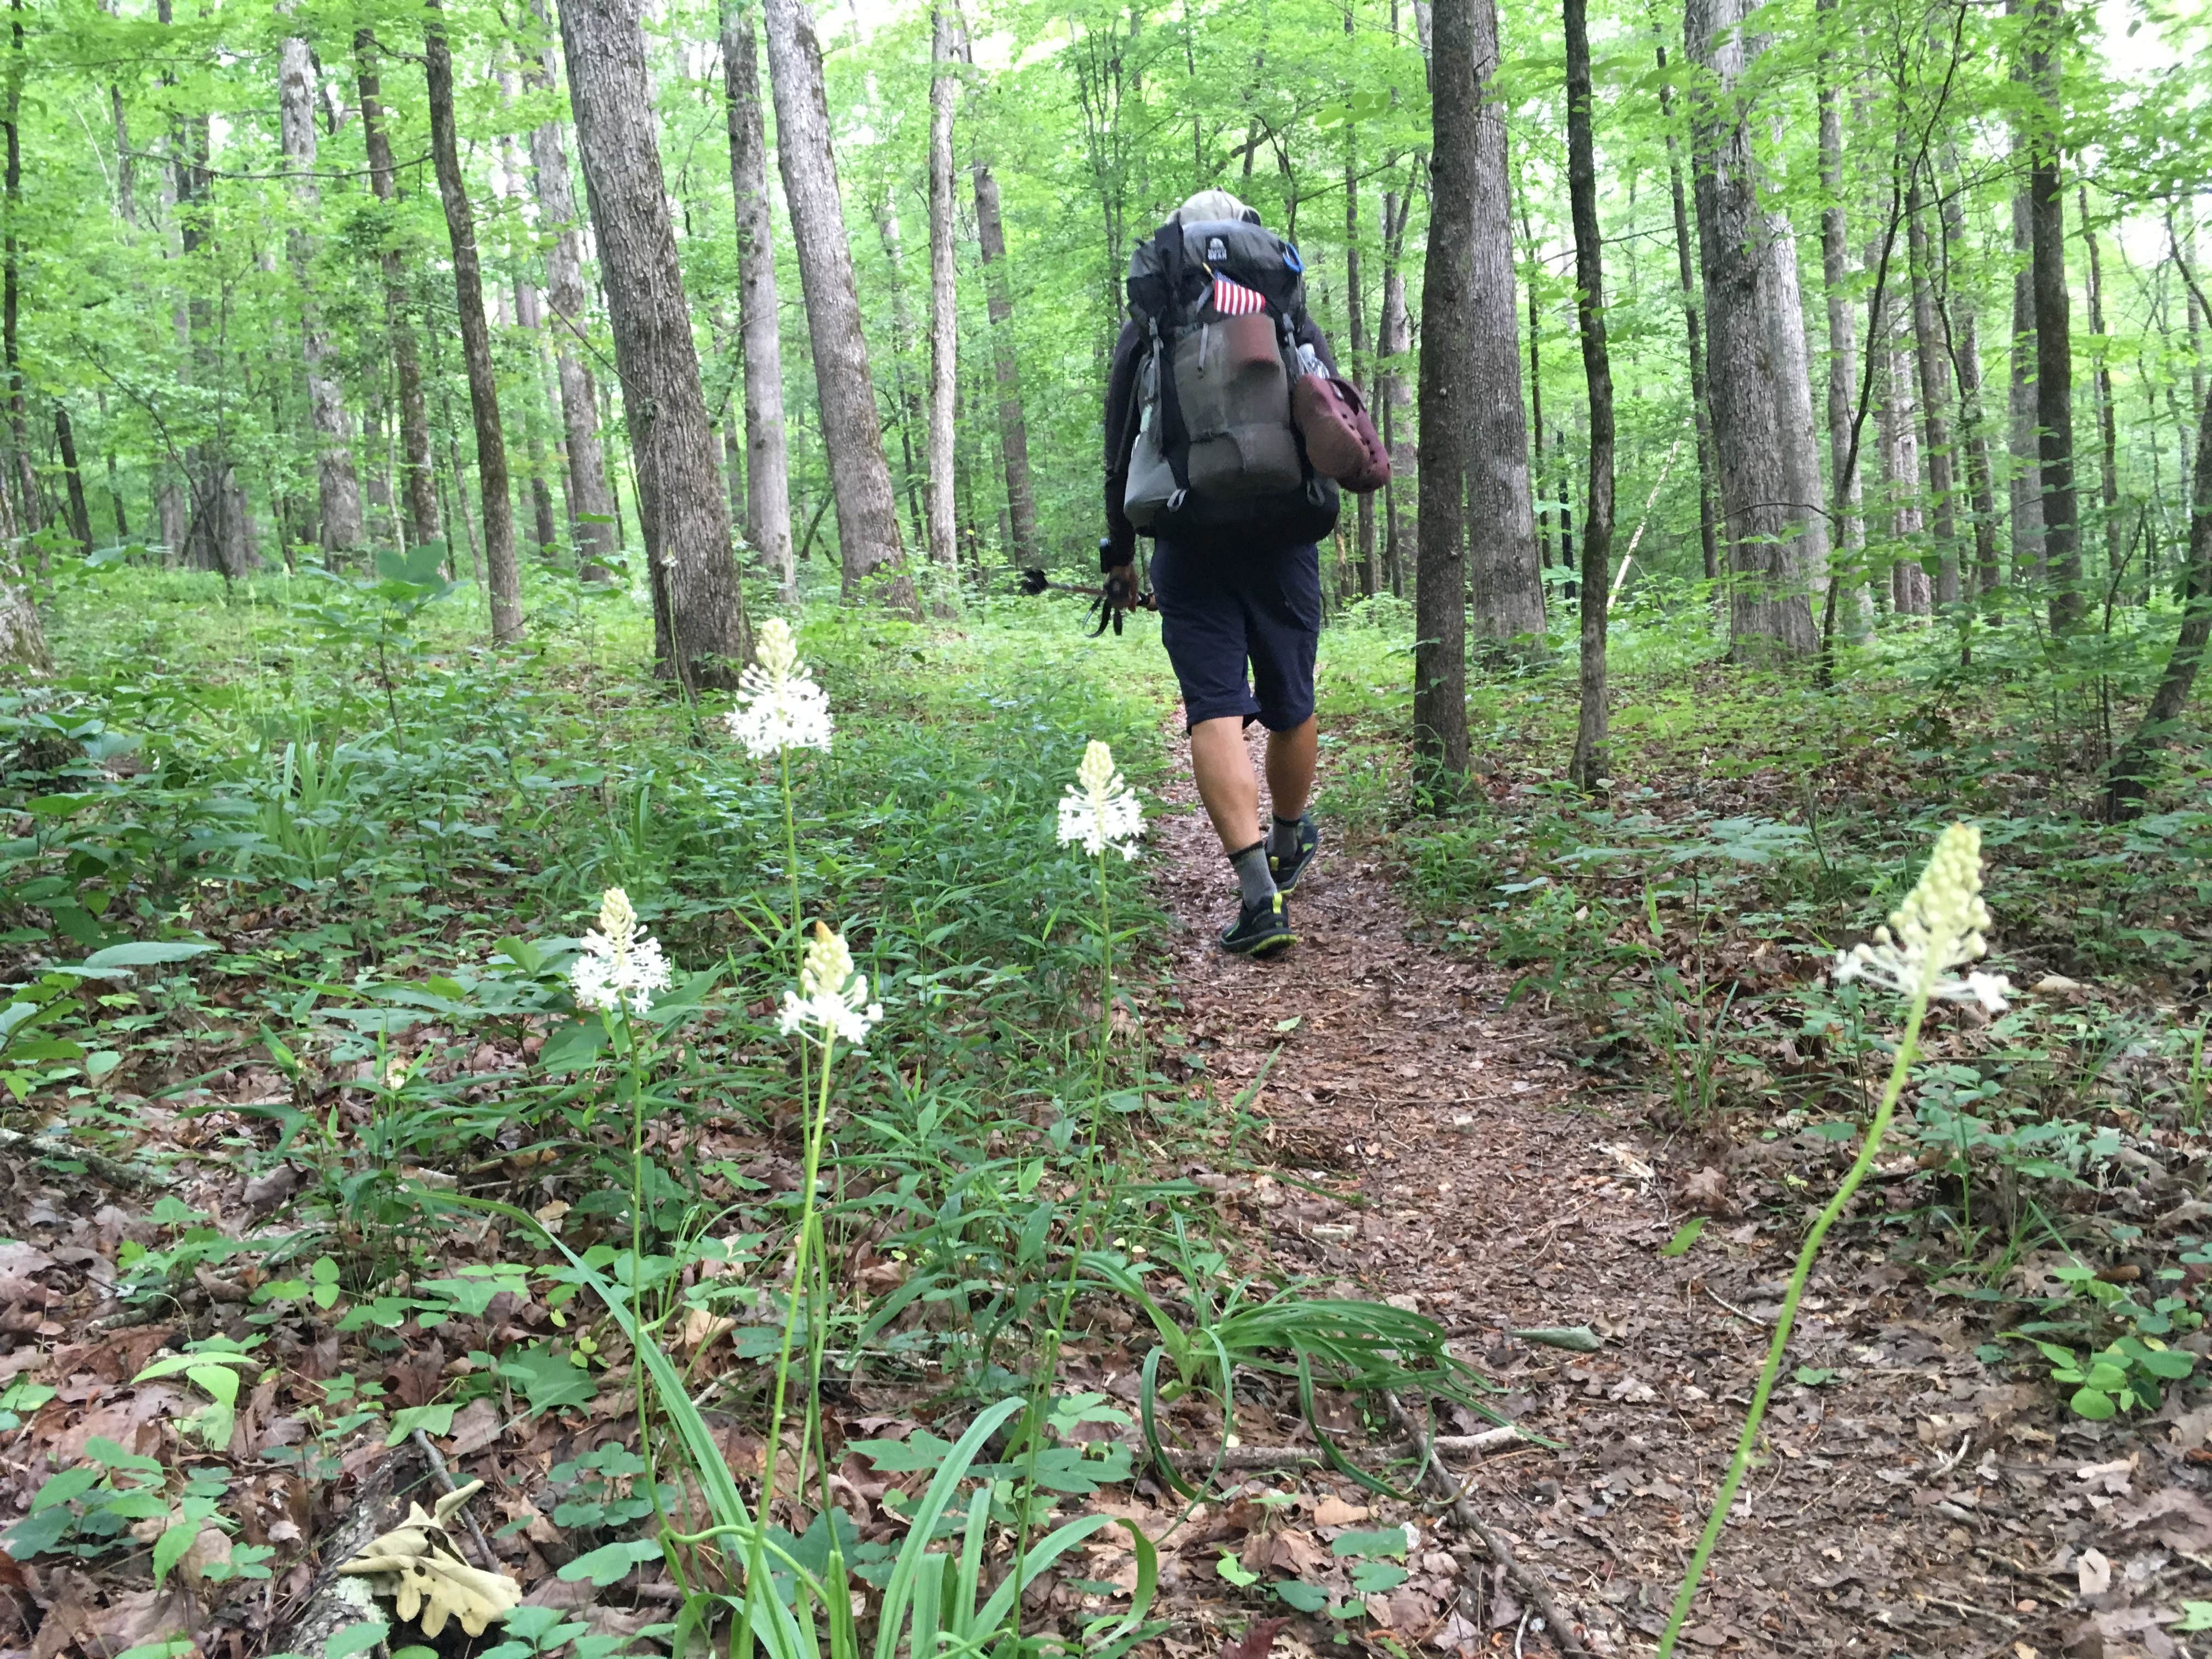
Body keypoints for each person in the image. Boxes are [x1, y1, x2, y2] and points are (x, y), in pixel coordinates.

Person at [1101, 189, 1336, 957]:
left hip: (1186, 529)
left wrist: (1118, 555)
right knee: (1290, 702)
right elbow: (1330, 413)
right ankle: (1290, 840)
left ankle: (1258, 899)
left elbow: (1119, 447)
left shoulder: (1154, 324)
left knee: (1214, 708)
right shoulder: (1286, 310)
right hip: (1283, 533)